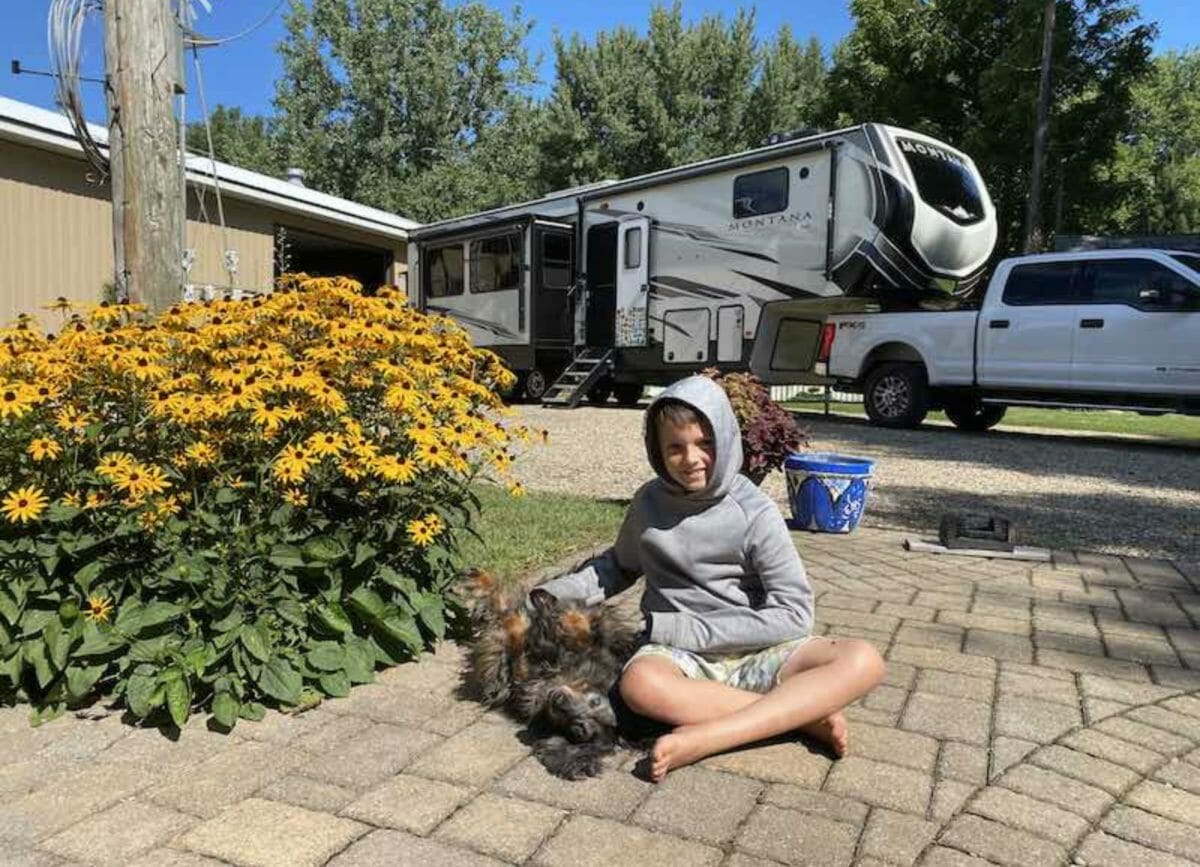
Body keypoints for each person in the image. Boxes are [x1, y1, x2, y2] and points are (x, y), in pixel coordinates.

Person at [534, 375, 885, 782]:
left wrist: (683, 629)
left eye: (705, 443)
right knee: (640, 685)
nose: (691, 459)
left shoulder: (755, 511)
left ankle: (707, 737)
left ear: (727, 439)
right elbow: (619, 565)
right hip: (680, 658)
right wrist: (558, 593)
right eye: (675, 447)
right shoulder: (648, 503)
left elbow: (794, 615)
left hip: (755, 649)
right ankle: (800, 716)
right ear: (657, 451)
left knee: (863, 660)